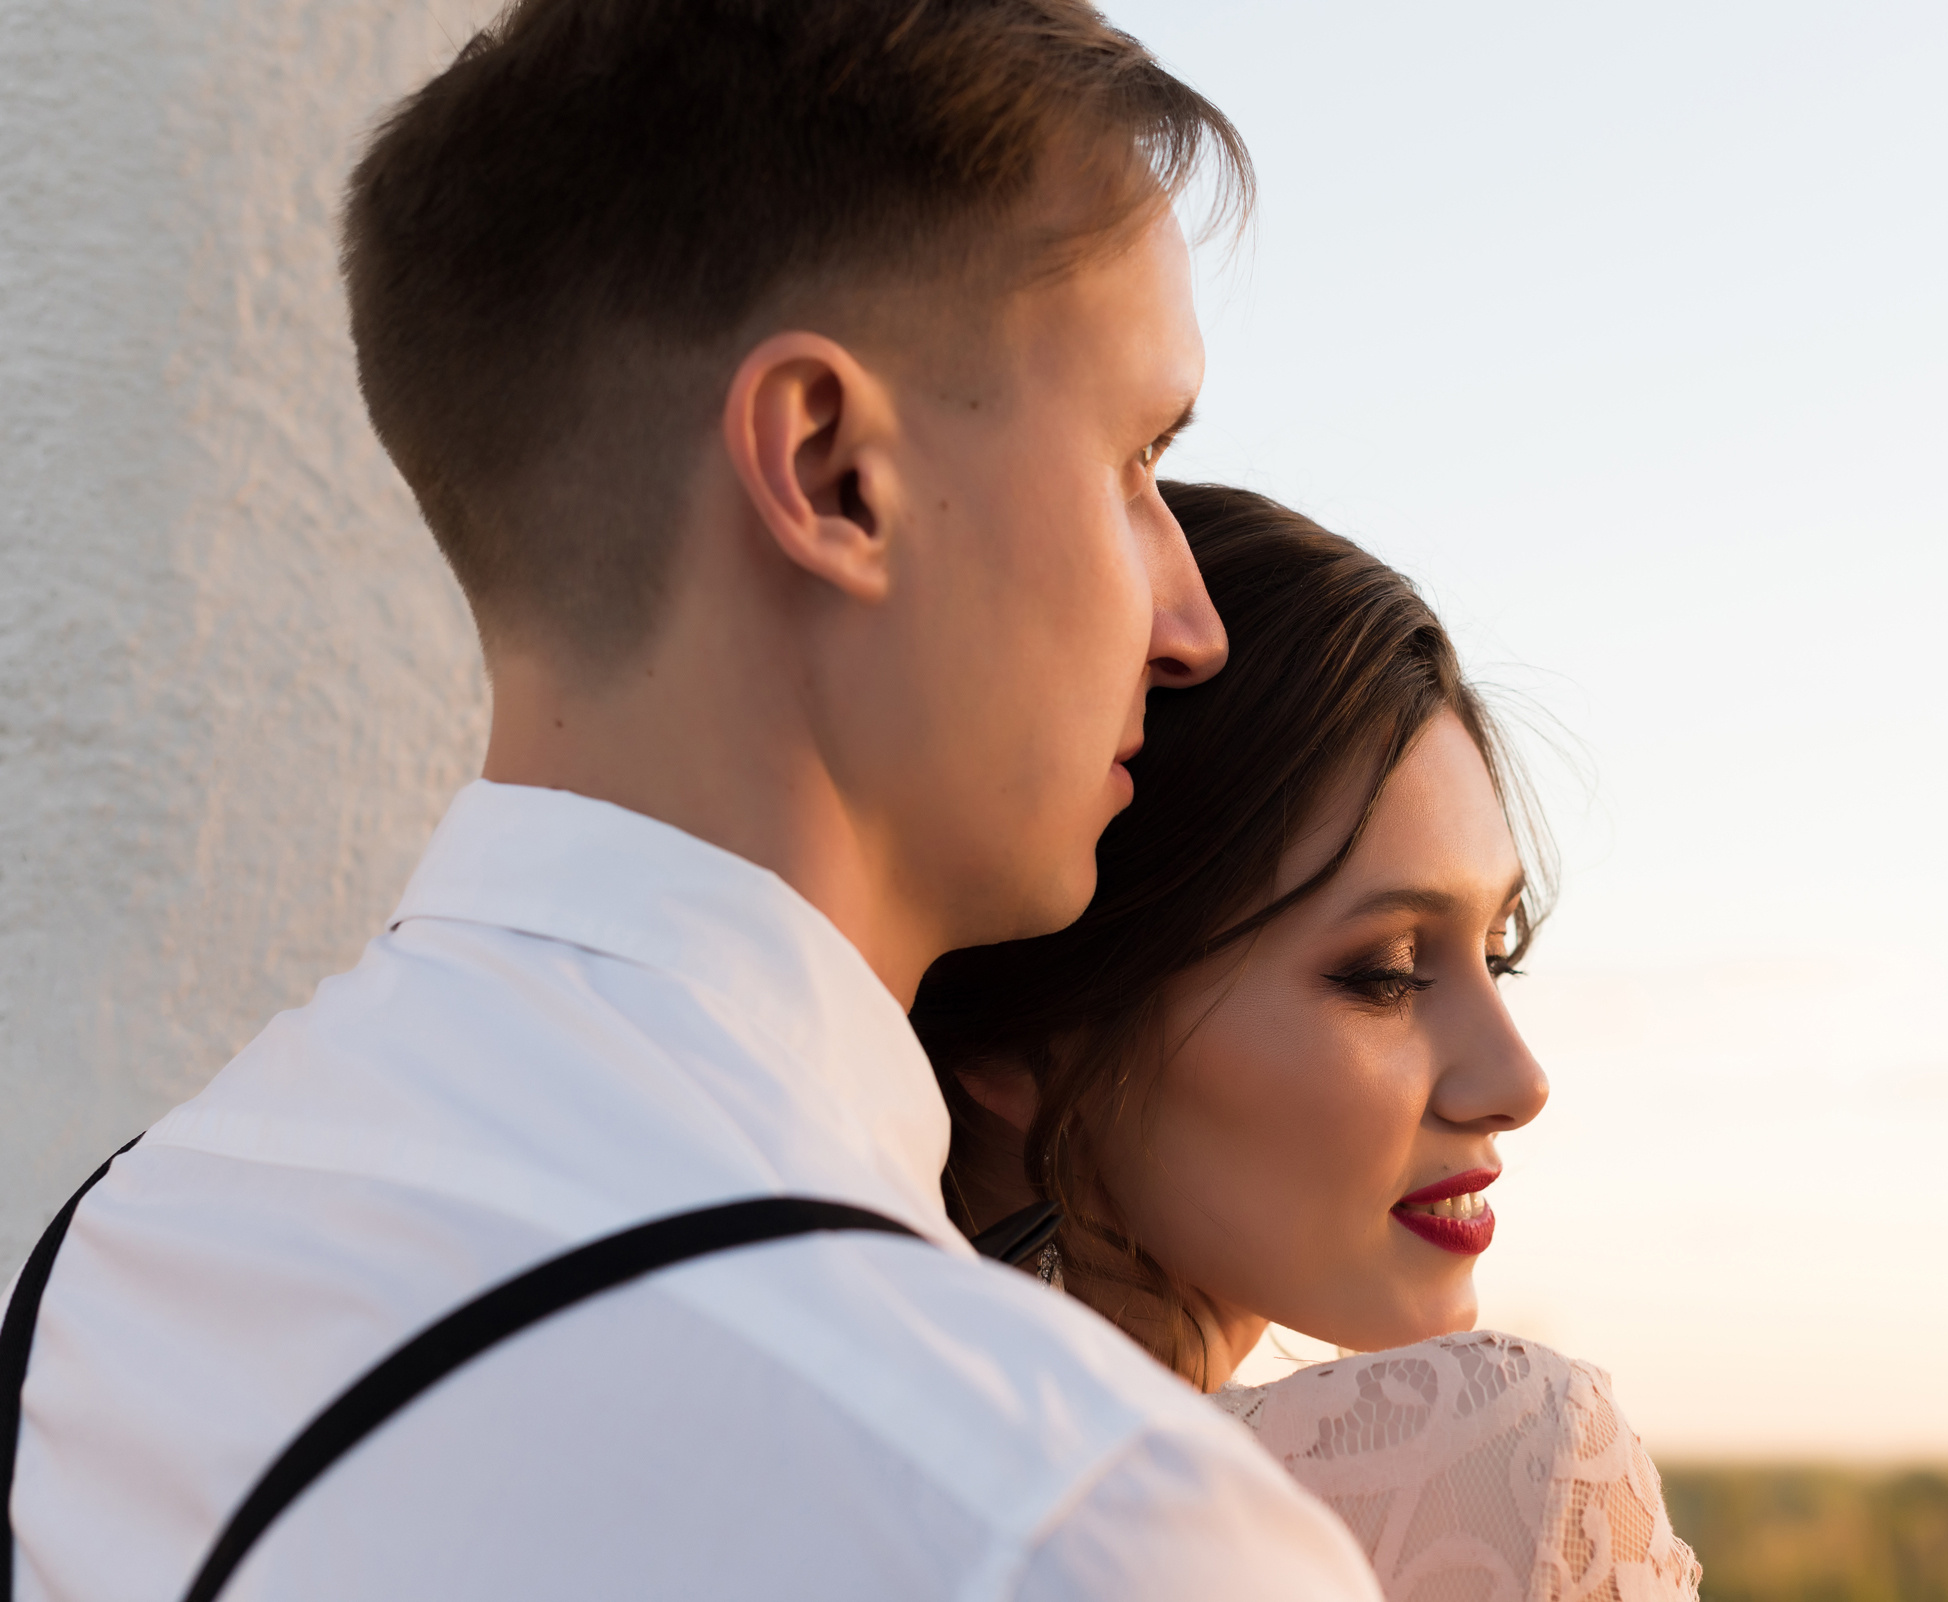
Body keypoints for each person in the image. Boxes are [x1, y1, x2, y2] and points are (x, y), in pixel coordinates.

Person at [4, 6, 1384, 1600]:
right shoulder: (1068, 1513)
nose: (1192, 620)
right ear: (827, 470)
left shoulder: (116, 1262)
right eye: (1135, 461)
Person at [915, 483, 1706, 1602]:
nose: (1517, 1083)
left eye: (1500, 952)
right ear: (1032, 1039)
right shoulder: (1506, 1476)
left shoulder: (796, 1479)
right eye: (1384, 975)